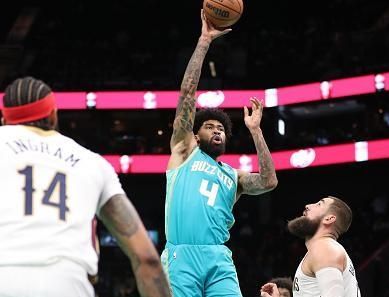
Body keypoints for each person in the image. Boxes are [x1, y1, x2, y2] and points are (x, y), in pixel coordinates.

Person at [0, 77, 171, 297]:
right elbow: (146, 259)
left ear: (4, 119)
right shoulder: (92, 162)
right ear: (53, 114)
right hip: (67, 284)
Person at [161, 10, 278, 297]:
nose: (217, 131)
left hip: (218, 258)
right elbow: (188, 93)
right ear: (195, 134)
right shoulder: (184, 151)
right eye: (210, 127)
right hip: (180, 256)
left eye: (221, 129)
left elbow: (268, 181)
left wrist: (255, 130)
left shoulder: (232, 176)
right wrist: (204, 41)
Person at [260, 196, 361, 297]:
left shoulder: (325, 249)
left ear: (329, 219)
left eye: (319, 204)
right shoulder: (323, 249)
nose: (307, 206)